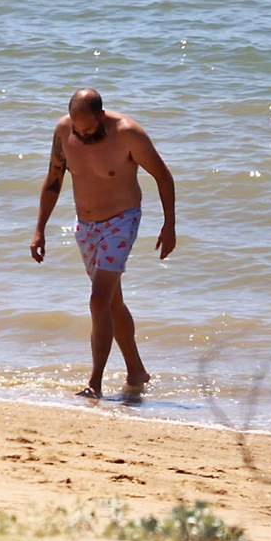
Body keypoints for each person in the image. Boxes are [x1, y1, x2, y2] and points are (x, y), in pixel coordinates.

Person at [29, 88, 175, 399]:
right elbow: (54, 180)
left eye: (89, 129)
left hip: (122, 220)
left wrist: (169, 225)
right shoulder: (63, 132)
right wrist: (40, 229)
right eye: (77, 130)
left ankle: (94, 383)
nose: (82, 135)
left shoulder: (129, 134)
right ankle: (137, 371)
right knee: (110, 302)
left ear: (102, 115)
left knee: (98, 299)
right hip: (86, 226)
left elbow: (163, 175)